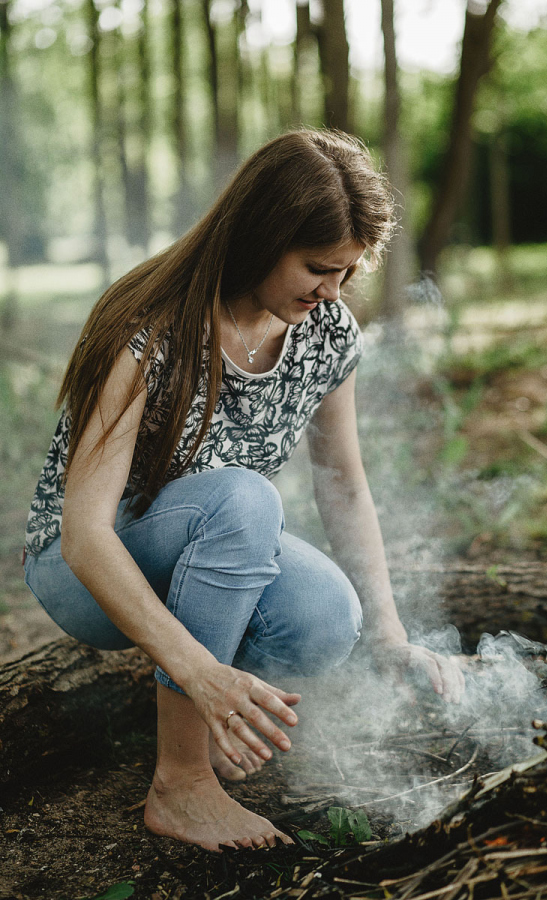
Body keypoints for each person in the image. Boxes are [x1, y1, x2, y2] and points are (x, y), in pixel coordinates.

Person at [24, 129, 464, 853]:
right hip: (81, 569)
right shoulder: (148, 327)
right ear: (263, 238)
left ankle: (212, 708)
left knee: (326, 618)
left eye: (347, 274)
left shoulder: (325, 333)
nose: (332, 291)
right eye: (319, 268)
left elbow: (343, 485)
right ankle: (182, 781)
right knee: (244, 500)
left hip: (207, 542)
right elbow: (84, 535)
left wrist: (391, 638)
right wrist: (202, 673)